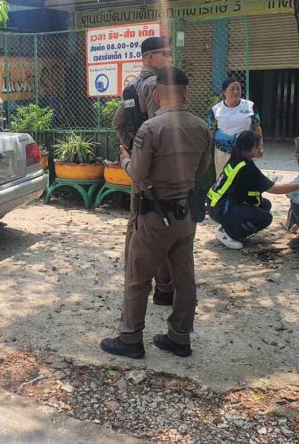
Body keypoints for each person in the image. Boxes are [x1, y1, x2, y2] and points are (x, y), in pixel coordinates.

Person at [100, 66, 211, 359]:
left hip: (153, 217)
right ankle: (179, 338)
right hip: (186, 217)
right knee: (184, 278)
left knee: (137, 279)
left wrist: (125, 158)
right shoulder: (201, 127)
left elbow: (137, 173)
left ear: (158, 95)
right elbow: (202, 170)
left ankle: (130, 339)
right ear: (185, 93)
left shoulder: (150, 129)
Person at [112, 36, 174, 306]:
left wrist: (131, 147)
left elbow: (118, 122)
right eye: (165, 54)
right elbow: (159, 128)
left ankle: (138, 280)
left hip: (140, 164)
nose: (169, 59)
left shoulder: (131, 87)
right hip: (157, 168)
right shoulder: (153, 86)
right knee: (158, 225)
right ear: (150, 57)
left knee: (137, 222)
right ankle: (163, 287)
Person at [207, 131, 299, 250]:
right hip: (220, 208)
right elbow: (275, 190)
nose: (261, 149)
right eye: (258, 147)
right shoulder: (246, 167)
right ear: (247, 149)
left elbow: (248, 184)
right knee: (265, 218)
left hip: (216, 202)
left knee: (264, 204)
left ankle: (230, 225)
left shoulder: (238, 159)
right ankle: (228, 233)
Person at [207, 77, 263, 176]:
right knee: (223, 180)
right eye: (232, 89)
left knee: (244, 178)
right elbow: (211, 131)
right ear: (224, 92)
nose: (236, 92)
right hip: (222, 152)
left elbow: (256, 127)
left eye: (238, 89)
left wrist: (260, 147)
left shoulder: (250, 106)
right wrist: (207, 152)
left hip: (245, 152)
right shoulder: (216, 110)